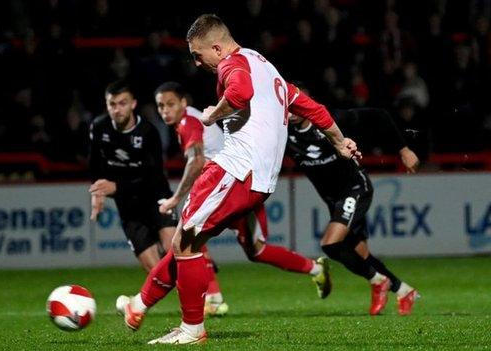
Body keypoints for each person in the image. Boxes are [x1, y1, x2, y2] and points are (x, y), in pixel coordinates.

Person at [118, 15, 361, 345]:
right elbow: (313, 108)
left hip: (235, 170)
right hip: (256, 179)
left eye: (197, 54)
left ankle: (191, 329)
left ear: (216, 48)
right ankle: (139, 306)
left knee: (184, 242)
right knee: (189, 242)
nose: (196, 61)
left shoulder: (231, 65)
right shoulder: (267, 68)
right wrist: (339, 141)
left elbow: (240, 92)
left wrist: (212, 115)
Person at [117, 81, 332, 316]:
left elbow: (197, 160)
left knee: (192, 234)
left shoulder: (190, 121)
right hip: (232, 187)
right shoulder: (186, 121)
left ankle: (208, 301)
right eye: (160, 106)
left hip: (234, 187)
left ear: (183, 103)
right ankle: (313, 269)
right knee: (248, 249)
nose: (165, 110)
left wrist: (175, 198)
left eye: (170, 104)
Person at [287, 106, 420, 316]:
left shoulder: (332, 120)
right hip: (335, 200)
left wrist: (404, 149)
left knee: (330, 245)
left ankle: (378, 281)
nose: (289, 111)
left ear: (306, 104)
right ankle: (404, 291)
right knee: (361, 255)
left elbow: (380, 114)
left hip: (356, 188)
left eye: (294, 105)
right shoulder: (285, 135)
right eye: (286, 107)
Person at [88, 80, 177, 271]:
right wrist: (97, 191)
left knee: (173, 251)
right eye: (112, 104)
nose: (117, 109)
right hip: (128, 207)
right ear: (107, 105)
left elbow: (153, 177)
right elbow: (95, 165)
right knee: (156, 272)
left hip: (157, 198)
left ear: (133, 104)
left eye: (122, 103)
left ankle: (206, 294)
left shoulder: (148, 132)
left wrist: (117, 187)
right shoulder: (99, 127)